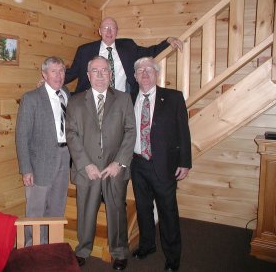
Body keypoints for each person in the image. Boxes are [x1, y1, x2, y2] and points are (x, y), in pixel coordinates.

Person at [65, 56, 136, 271]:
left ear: (110, 74)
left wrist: (119, 163)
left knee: (116, 210)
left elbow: (131, 132)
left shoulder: (123, 99)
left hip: (114, 168)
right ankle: (83, 249)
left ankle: (119, 251)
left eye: (104, 70)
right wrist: (85, 164)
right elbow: (72, 134)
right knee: (85, 210)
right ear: (87, 75)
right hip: (88, 168)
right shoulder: (76, 101)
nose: (99, 75)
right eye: (94, 71)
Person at [130, 57, 192, 271]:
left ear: (156, 73)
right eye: (140, 70)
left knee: (168, 212)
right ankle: (147, 246)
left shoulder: (173, 98)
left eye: (149, 69)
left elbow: (184, 132)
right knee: (143, 209)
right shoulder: (128, 98)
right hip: (137, 164)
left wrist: (185, 162)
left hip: (163, 165)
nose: (145, 73)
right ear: (135, 76)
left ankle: (173, 258)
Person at [15, 56, 70, 246]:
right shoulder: (31, 98)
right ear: (44, 74)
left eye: (62, 70)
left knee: (57, 207)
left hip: (64, 157)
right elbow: (22, 136)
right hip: (39, 164)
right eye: (53, 71)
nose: (59, 75)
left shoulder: (66, 94)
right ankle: (32, 250)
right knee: (36, 211)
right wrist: (26, 169)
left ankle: (51, 248)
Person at [64, 17, 183, 94]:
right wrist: (52, 80)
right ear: (100, 31)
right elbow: (72, 72)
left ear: (117, 31)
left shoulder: (128, 46)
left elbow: (149, 52)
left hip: (120, 102)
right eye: (105, 28)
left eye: (112, 28)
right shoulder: (85, 50)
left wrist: (167, 41)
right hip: (91, 101)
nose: (109, 32)